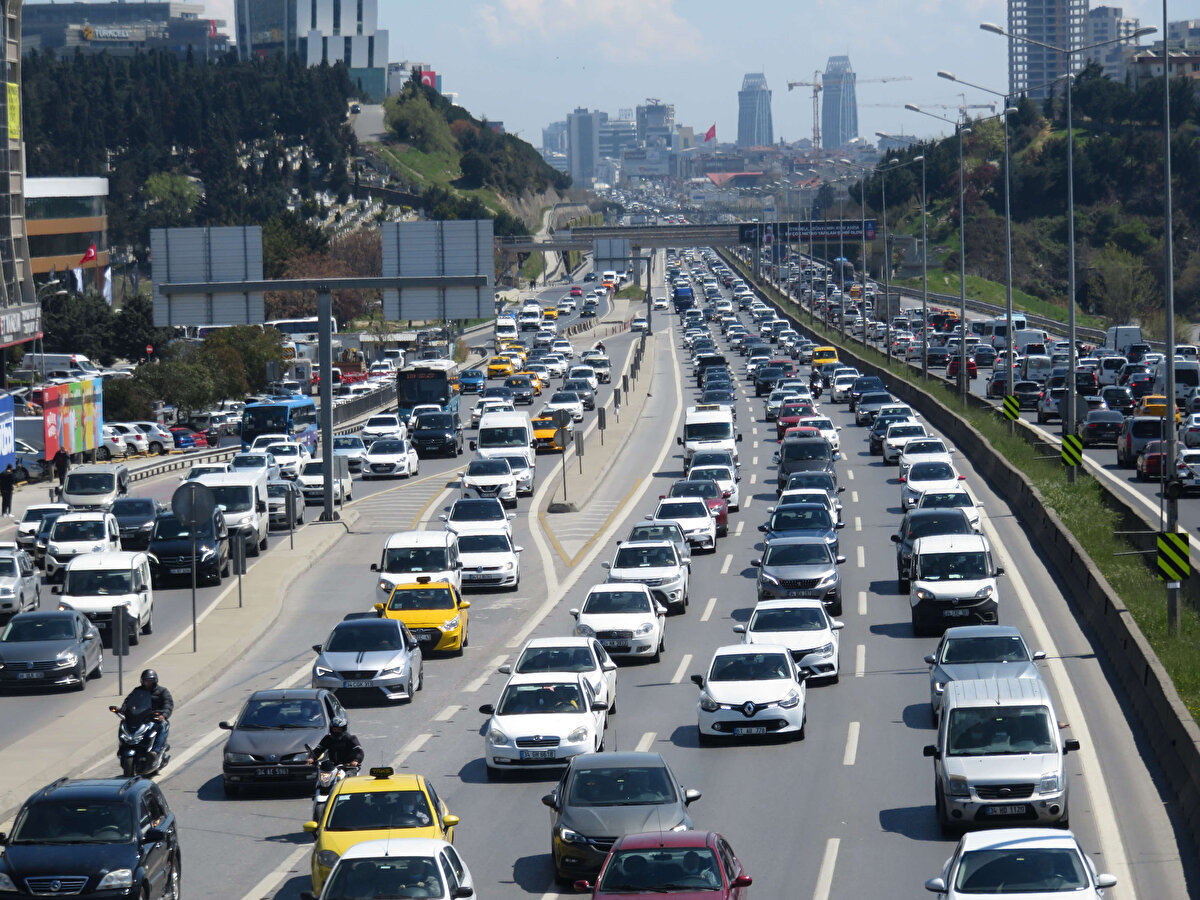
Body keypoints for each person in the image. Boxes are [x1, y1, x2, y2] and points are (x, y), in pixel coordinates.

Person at [120, 669, 173, 759]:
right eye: (146, 680)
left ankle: (156, 751)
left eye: (150, 681)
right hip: (141, 717)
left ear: (155, 681)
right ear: (142, 681)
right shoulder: (138, 691)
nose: (148, 683)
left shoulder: (162, 691)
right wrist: (124, 709)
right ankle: (125, 747)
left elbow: (168, 705)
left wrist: (163, 715)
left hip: (155, 718)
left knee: (162, 726)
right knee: (125, 724)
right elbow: (129, 701)